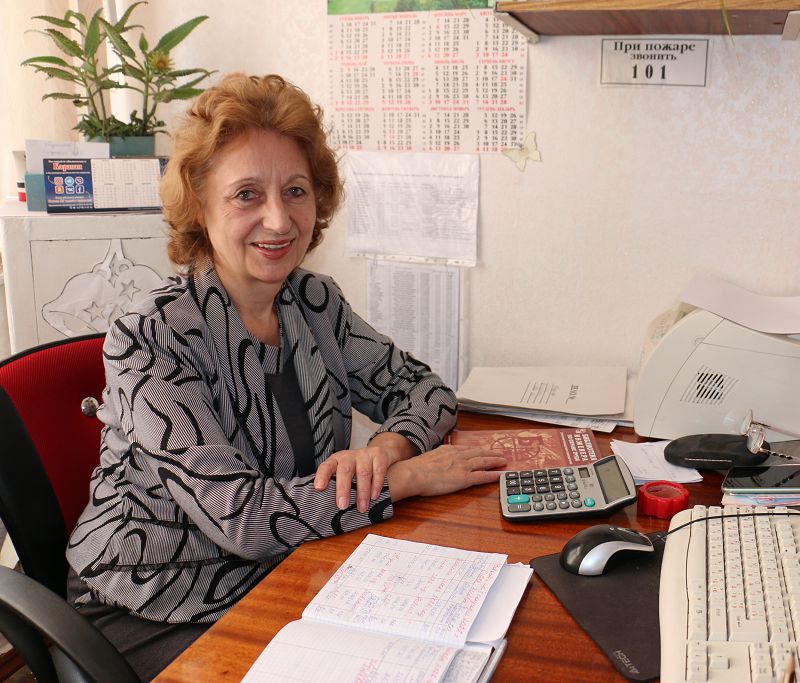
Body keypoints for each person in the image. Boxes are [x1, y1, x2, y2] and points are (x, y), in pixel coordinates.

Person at [65, 73, 506, 681]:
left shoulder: (313, 303)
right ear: (200, 205)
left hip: (286, 568)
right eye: (247, 194)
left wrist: (386, 448)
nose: (278, 219)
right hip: (154, 603)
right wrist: (403, 479)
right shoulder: (152, 338)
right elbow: (240, 518)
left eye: (295, 191)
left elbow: (424, 389)